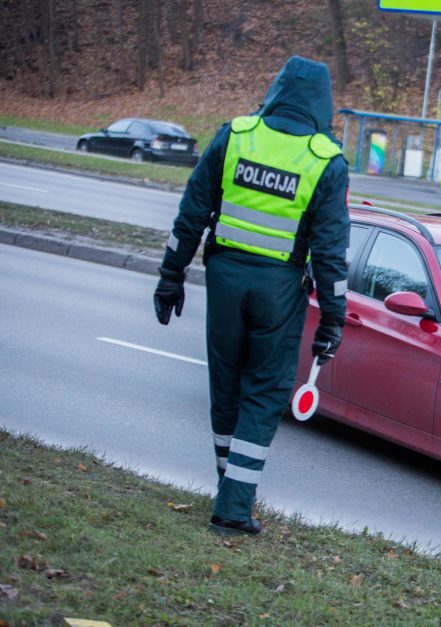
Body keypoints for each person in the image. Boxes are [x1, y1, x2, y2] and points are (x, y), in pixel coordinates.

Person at [152, 56, 349, 536]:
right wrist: (333, 320)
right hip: (279, 292)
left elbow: (191, 212)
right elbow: (330, 253)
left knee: (226, 386)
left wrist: (170, 276)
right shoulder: (326, 160)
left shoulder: (235, 135)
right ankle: (233, 509)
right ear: (323, 104)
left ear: (277, 88)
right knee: (264, 393)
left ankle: (228, 487)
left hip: (224, 280)